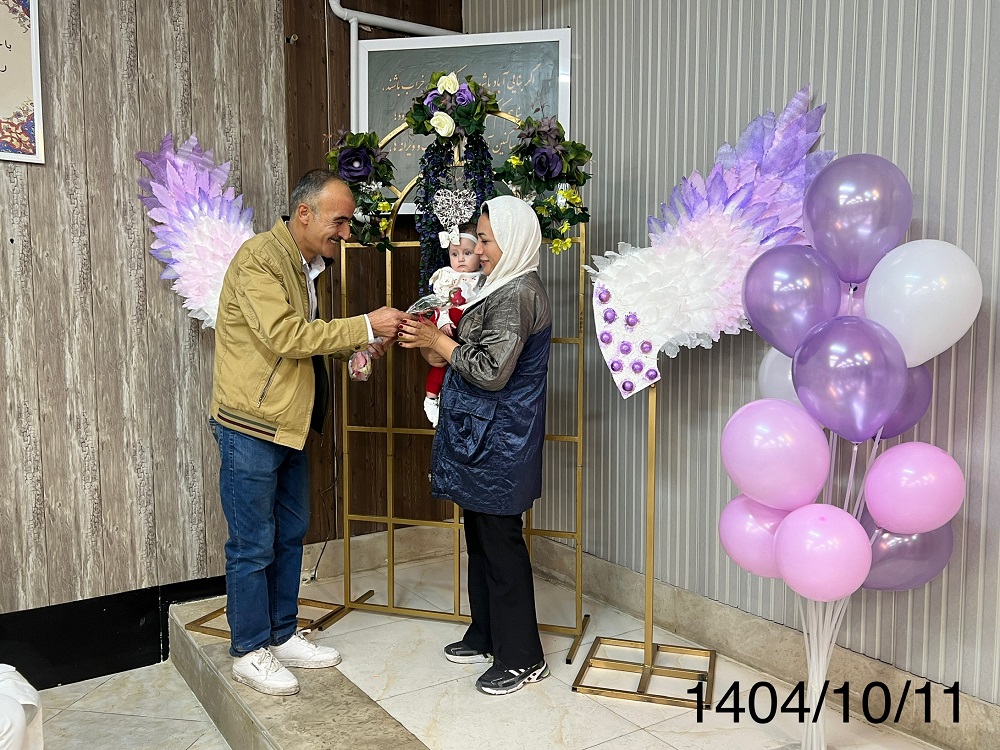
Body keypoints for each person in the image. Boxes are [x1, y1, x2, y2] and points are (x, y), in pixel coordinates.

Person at [210, 169, 410, 696]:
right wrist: (365, 326)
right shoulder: (259, 259)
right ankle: (249, 649)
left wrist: (354, 348)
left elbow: (307, 340)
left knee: (290, 533)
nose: (346, 232)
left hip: (290, 424)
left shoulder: (304, 265)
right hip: (251, 426)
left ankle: (280, 634)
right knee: (252, 544)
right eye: (339, 221)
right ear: (304, 213)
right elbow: (285, 336)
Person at [397, 195, 552, 696]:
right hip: (480, 436)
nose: (477, 249)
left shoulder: (518, 293)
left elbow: (490, 370)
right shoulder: (497, 286)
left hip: (501, 440)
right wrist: (435, 343)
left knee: (500, 543)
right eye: (478, 239)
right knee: (480, 536)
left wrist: (438, 344)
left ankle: (523, 657)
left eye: (485, 240)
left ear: (514, 241)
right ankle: (487, 633)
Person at [421, 224, 483, 426]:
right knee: (439, 360)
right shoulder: (447, 275)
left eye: (467, 253)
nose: (461, 259)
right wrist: (444, 320)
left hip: (466, 328)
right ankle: (431, 397)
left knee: (451, 362)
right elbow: (440, 303)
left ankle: (440, 398)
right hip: (446, 319)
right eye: (455, 254)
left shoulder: (484, 278)